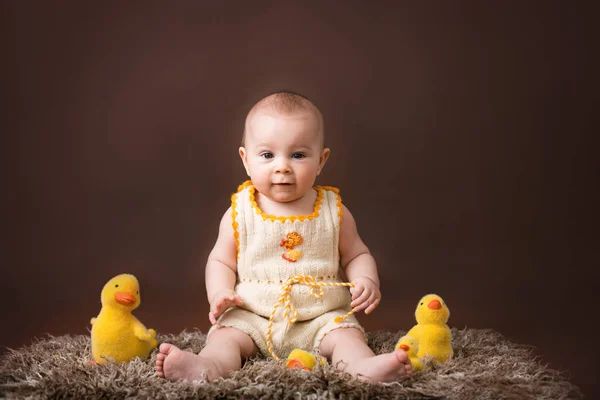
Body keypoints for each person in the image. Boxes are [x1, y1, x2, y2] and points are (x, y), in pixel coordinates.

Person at [156, 91, 412, 383]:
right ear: (246, 160)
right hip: (252, 314)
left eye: (298, 155)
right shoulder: (240, 212)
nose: (282, 166)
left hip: (320, 316)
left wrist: (367, 280)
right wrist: (219, 294)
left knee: (347, 337)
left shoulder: (333, 210)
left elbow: (357, 254)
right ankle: (207, 367)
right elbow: (220, 261)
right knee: (226, 339)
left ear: (321, 160)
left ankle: (363, 368)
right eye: (267, 155)